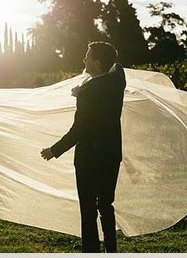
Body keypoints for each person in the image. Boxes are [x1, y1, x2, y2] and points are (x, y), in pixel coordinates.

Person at [40, 41, 125, 253]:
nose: (84, 60)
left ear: (97, 63)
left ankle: (91, 251)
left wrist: (54, 150)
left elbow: (80, 129)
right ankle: (112, 250)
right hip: (111, 154)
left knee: (88, 210)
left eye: (88, 56)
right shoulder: (117, 82)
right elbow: (117, 68)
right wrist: (84, 87)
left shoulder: (88, 92)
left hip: (90, 157)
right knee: (106, 205)